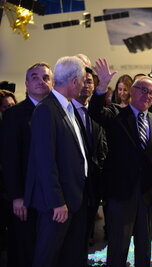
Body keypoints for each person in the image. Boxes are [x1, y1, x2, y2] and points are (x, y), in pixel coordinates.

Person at [89, 58, 152, 267]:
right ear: (132, 92)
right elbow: (95, 113)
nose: (147, 95)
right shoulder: (115, 114)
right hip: (120, 194)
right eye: (143, 90)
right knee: (118, 247)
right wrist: (101, 88)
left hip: (149, 195)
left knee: (144, 250)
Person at [24, 56, 89, 267]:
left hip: (71, 199)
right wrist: (57, 201)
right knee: (46, 258)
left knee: (65, 257)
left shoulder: (67, 108)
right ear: (73, 81)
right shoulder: (46, 109)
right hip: (56, 204)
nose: (82, 85)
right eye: (81, 81)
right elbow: (44, 161)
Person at [1, 62, 53, 267]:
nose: (41, 81)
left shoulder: (59, 111)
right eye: (35, 77)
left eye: (46, 77)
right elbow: (10, 158)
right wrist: (17, 196)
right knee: (25, 250)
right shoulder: (14, 114)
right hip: (26, 198)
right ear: (26, 84)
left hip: (53, 197)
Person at [71, 67, 108, 250]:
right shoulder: (66, 112)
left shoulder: (99, 113)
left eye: (90, 81)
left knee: (86, 236)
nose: (86, 85)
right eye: (82, 81)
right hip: (72, 186)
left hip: (95, 185)